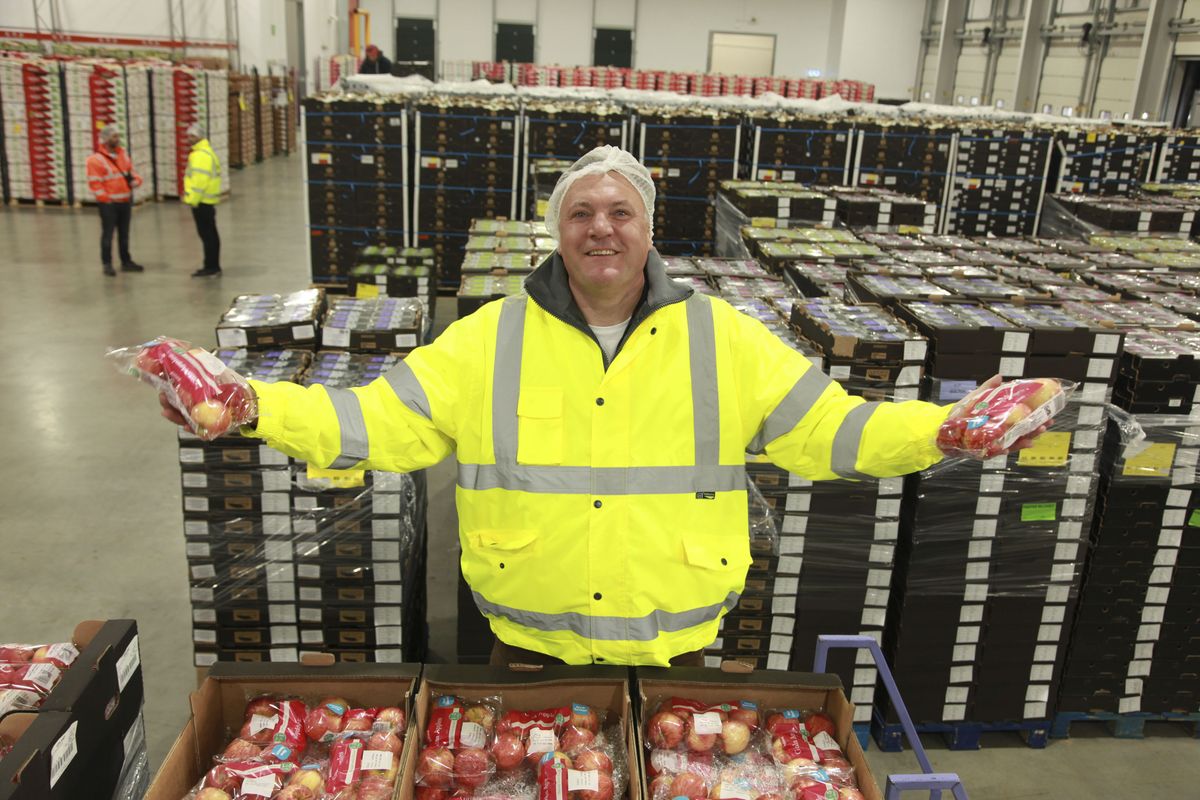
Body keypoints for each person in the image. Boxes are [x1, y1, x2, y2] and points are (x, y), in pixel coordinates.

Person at [156, 145, 1048, 668]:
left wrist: (943, 429)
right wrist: (253, 404)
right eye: (581, 212)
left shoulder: (725, 338)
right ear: (558, 230)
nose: (601, 228)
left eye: (621, 211)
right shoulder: (488, 337)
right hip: (528, 649)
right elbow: (373, 423)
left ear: (649, 228)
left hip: (680, 650)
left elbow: (837, 429)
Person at [85, 124, 144, 277]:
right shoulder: (95, 160)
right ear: (105, 139)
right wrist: (105, 199)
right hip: (109, 204)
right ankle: (107, 264)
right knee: (108, 234)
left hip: (124, 201)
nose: (117, 139)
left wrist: (136, 181)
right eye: (114, 136)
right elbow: (95, 183)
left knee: (124, 234)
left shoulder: (123, 155)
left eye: (118, 136)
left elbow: (132, 173)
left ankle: (126, 261)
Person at [182, 123, 223, 278]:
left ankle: (212, 267)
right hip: (205, 201)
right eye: (188, 136)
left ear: (200, 136)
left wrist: (192, 199)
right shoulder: (203, 152)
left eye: (192, 136)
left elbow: (199, 182)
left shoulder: (201, 155)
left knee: (208, 236)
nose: (189, 139)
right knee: (209, 235)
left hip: (202, 202)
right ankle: (210, 265)